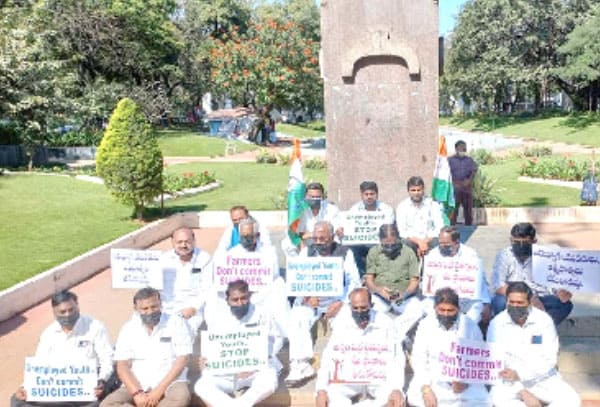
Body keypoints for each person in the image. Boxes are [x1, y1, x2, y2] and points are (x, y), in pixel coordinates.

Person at [285, 221, 361, 387]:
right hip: (311, 300)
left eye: (323, 239)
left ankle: (337, 364)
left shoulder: (344, 252)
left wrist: (340, 302)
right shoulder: (307, 252)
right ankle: (301, 365)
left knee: (345, 322)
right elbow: (298, 278)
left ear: (332, 238)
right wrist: (307, 295)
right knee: (297, 317)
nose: (318, 242)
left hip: (336, 301)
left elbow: (353, 281)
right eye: (316, 238)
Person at [11, 291, 114, 407]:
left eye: (71, 310)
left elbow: (107, 359)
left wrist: (102, 380)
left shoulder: (95, 327)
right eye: (62, 312)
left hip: (85, 389)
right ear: (54, 313)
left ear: (77, 306)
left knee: (97, 402)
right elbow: (39, 366)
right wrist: (24, 386)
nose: (67, 315)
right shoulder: (48, 333)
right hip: (56, 388)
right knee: (17, 399)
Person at [488, 282, 581, 407]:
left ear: (530, 302)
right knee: (497, 400)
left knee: (572, 400)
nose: (515, 306)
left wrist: (522, 375)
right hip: (510, 381)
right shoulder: (497, 324)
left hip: (542, 378)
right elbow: (496, 362)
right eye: (511, 302)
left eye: (520, 303)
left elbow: (549, 359)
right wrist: (522, 391)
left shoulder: (544, 320)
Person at [100, 288, 192, 407]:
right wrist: (137, 393)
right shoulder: (128, 328)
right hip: (138, 384)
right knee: (107, 404)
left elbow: (183, 359)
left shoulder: (176, 322)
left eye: (154, 307)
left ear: (160, 304)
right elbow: (122, 366)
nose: (150, 312)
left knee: (181, 397)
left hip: (171, 383)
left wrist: (158, 391)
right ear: (136, 309)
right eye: (145, 309)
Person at [194, 280, 280, 407]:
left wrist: (254, 364)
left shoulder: (262, 314)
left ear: (249, 296)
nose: (240, 303)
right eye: (235, 299)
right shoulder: (218, 317)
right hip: (226, 375)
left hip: (254, 372)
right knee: (201, 386)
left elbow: (274, 343)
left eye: (243, 298)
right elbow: (214, 347)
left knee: (269, 379)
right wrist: (206, 360)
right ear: (227, 300)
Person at [315, 288, 406, 407]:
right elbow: (328, 358)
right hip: (349, 377)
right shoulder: (341, 323)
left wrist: (396, 388)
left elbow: (397, 357)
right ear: (350, 307)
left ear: (371, 305)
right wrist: (321, 390)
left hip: (378, 378)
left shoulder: (385, 323)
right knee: (329, 397)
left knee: (395, 399)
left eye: (363, 308)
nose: (359, 311)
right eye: (355, 308)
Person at [407, 288, 491, 407]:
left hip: (462, 382)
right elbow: (418, 359)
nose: (446, 314)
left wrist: (466, 381)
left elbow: (480, 359)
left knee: (483, 400)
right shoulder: (426, 324)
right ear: (435, 308)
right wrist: (426, 388)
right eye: (442, 310)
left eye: (450, 310)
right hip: (433, 379)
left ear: (458, 309)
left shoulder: (470, 326)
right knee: (415, 397)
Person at [219, 217, 289, 341]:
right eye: (243, 236)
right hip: (242, 295)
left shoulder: (268, 252)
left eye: (249, 236)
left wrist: (256, 291)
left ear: (257, 235)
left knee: (279, 285)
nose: (246, 239)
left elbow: (272, 278)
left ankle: (280, 334)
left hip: (264, 292)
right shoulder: (232, 254)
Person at [491, 222, 573, 326]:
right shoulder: (504, 255)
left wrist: (560, 291)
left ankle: (540, 329)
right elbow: (498, 285)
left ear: (534, 241)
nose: (520, 246)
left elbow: (551, 283)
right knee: (499, 302)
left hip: (540, 298)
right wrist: (529, 297)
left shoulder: (544, 256)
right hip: (514, 298)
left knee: (565, 304)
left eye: (525, 242)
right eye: (516, 242)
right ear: (511, 240)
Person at [421, 226, 491, 325]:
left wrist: (486, 303)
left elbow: (480, 281)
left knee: (477, 307)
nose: (442, 246)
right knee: (426, 305)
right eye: (440, 243)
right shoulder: (433, 254)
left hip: (464, 299)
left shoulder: (470, 254)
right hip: (440, 299)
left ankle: (464, 329)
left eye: (446, 244)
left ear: (457, 242)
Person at [364, 224, 423, 338]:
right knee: (367, 310)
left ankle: (394, 334)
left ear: (398, 238)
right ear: (380, 240)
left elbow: (414, 281)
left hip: (403, 297)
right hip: (380, 296)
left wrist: (404, 294)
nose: (390, 248)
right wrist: (379, 290)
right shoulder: (374, 252)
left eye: (393, 244)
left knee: (418, 311)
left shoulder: (408, 252)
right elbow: (369, 280)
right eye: (386, 245)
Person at [160, 227, 211, 340]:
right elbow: (154, 285)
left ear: (194, 241)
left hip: (192, 309)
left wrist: (194, 307)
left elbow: (208, 289)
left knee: (184, 336)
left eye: (187, 241)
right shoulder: (163, 259)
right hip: (167, 308)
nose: (183, 245)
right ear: (172, 242)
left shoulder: (204, 259)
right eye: (179, 242)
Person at [343, 181, 395, 276]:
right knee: (351, 250)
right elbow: (349, 226)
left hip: (379, 243)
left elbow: (388, 229)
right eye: (366, 194)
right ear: (361, 195)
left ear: (377, 195)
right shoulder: (354, 209)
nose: (369, 197)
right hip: (360, 243)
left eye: (372, 194)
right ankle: (361, 276)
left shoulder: (387, 210)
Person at [396, 176, 445, 257]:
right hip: (411, 241)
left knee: (441, 241)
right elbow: (402, 231)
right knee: (403, 242)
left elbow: (440, 227)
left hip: (430, 240)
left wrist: (425, 242)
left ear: (423, 190)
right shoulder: (402, 207)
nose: (416, 193)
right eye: (413, 190)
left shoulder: (433, 205)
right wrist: (419, 242)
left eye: (419, 190)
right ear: (408, 191)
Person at [297, 182, 342, 248]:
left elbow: (338, 231)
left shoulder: (332, 210)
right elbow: (299, 235)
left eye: (318, 197)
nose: (315, 199)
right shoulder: (302, 212)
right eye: (312, 197)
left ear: (322, 197)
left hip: (329, 247)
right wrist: (315, 234)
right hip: (309, 248)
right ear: (306, 197)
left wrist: (311, 235)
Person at [448, 140, 478, 226]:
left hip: (466, 189)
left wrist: (469, 180)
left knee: (468, 212)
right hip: (455, 189)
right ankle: (452, 228)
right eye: (461, 148)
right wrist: (454, 182)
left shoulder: (469, 160)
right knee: (453, 211)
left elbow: (474, 171)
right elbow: (446, 173)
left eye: (464, 148)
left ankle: (469, 228)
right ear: (456, 148)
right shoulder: (450, 160)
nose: (463, 149)